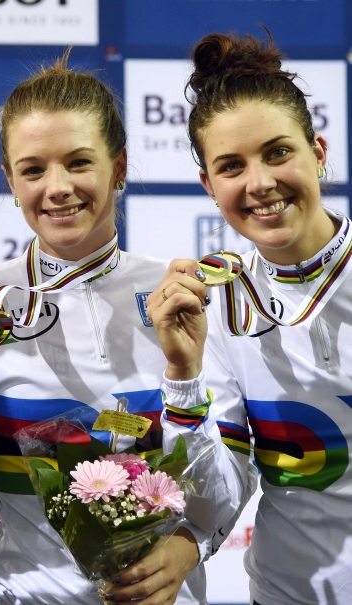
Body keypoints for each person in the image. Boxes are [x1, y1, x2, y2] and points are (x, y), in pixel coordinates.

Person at [0, 56, 219, 605]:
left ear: (118, 167)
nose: (58, 188)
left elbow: (216, 503)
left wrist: (185, 375)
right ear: (10, 180)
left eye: (79, 162)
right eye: (32, 170)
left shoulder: (178, 294)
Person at [148, 31, 350, 605]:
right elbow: (216, 496)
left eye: (278, 152)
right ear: (210, 187)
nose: (259, 183)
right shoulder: (214, 308)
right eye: (232, 166)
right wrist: (183, 373)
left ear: (318, 151)